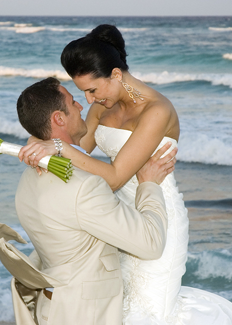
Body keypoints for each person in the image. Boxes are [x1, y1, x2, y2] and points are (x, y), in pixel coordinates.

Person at [19, 25, 232, 324]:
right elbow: (76, 143)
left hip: (159, 218)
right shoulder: (103, 106)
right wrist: (36, 143)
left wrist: (56, 148)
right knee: (124, 309)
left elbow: (114, 176)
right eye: (82, 93)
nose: (89, 100)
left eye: (92, 90)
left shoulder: (156, 110)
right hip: (118, 220)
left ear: (116, 75)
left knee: (151, 312)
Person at [13, 77, 178, 325]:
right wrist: (148, 184)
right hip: (83, 314)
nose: (82, 106)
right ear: (59, 118)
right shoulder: (84, 187)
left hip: (52, 305)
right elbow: (150, 244)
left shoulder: (27, 179)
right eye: (73, 102)